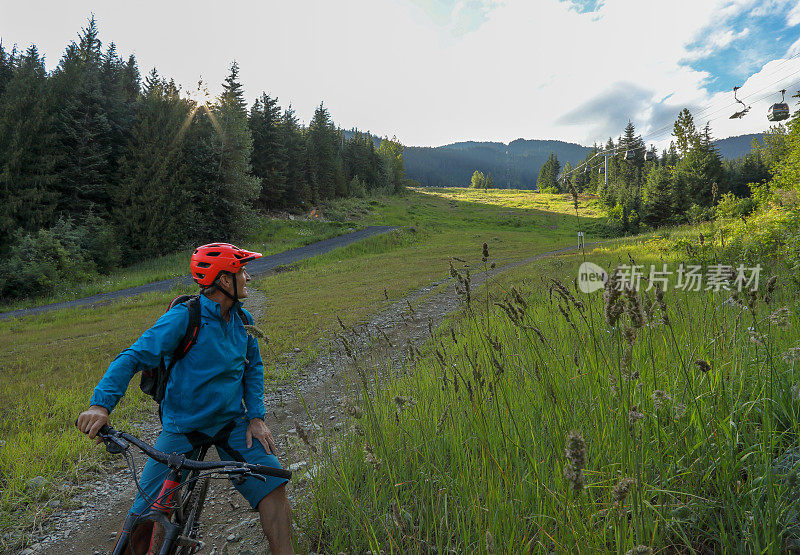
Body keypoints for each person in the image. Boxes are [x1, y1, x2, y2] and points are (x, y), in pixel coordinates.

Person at [76, 243, 293, 554]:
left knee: (273, 484)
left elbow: (253, 368)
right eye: (241, 272)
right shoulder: (184, 317)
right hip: (182, 428)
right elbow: (133, 356)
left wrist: (256, 416)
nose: (247, 277)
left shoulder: (243, 320)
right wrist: (101, 404)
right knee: (145, 515)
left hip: (231, 423)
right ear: (223, 281)